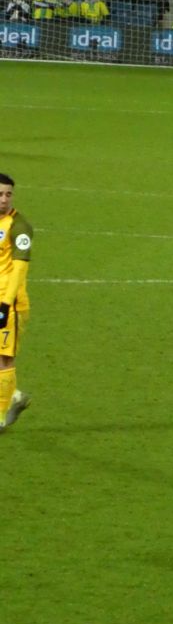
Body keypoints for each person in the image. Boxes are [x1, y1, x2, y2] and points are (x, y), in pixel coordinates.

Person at [0, 173, 33, 435]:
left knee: (3, 359)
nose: (4, 199)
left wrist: (5, 304)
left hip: (8, 304)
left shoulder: (19, 226)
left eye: (8, 194)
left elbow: (19, 269)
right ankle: (15, 396)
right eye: (0, 194)